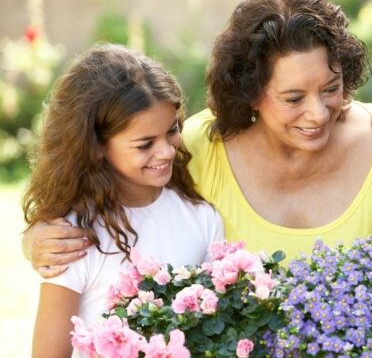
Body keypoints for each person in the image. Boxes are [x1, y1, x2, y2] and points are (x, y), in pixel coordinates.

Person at [21, 0, 372, 275]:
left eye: (331, 88)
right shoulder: (201, 147)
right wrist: (39, 234)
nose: (318, 113)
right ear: (251, 91)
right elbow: (110, 182)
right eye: (293, 98)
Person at [23, 44, 224, 357]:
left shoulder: (202, 217)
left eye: (172, 131)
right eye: (145, 144)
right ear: (96, 146)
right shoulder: (75, 237)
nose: (168, 151)